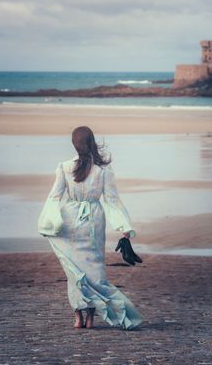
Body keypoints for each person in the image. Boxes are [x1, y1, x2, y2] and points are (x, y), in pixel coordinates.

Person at [38, 126, 142, 330]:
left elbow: (54, 197)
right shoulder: (104, 171)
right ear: (93, 142)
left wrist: (48, 222)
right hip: (93, 220)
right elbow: (112, 201)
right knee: (94, 270)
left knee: (74, 270)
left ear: (74, 144)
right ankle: (91, 319)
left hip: (68, 220)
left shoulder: (64, 167)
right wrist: (124, 226)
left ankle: (78, 317)